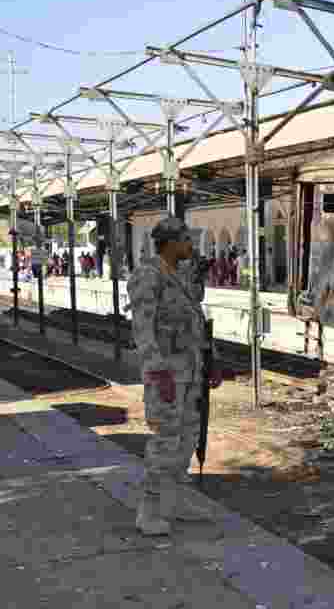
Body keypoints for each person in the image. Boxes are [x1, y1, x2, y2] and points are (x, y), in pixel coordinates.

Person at [127, 216, 222, 536]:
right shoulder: (148, 275)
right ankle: (149, 510)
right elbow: (142, 329)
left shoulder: (178, 275)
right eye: (185, 240)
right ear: (169, 242)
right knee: (165, 441)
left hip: (189, 371)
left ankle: (177, 501)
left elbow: (195, 316)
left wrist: (210, 362)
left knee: (186, 438)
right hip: (166, 374)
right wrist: (157, 371)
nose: (190, 246)